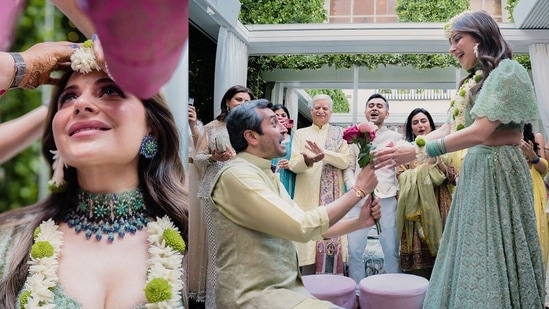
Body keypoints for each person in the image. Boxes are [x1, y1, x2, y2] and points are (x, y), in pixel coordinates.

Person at [374, 11, 545, 307]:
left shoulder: (508, 71)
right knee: (473, 250)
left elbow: (480, 131)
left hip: (498, 169)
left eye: (457, 39)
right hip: (477, 171)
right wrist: (408, 146)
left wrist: (421, 150)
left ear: (481, 36)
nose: (452, 48)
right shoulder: (474, 81)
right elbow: (452, 127)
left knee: (495, 251)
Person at [0, 46, 189, 308]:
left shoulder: (198, 237)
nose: (80, 104)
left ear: (153, 129)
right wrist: (13, 68)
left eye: (110, 90)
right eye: (67, 98)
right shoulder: (11, 243)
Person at [209, 99, 381, 308]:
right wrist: (358, 191)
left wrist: (359, 222)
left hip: (286, 293)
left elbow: (312, 230)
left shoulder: (264, 172)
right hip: (253, 297)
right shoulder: (237, 175)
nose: (284, 128)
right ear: (251, 136)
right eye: (274, 123)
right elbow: (301, 226)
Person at [192, 85, 254, 307]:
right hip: (213, 192)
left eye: (247, 100)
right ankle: (215, 302)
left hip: (242, 192)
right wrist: (213, 158)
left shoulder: (253, 130)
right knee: (218, 248)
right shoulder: (211, 127)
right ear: (227, 102)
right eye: (239, 99)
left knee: (242, 247)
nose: (243, 103)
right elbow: (197, 158)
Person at [288, 94, 351, 275]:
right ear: (311, 111)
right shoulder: (301, 134)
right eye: (317, 108)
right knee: (306, 247)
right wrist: (307, 161)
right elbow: (293, 164)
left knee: (331, 236)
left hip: (332, 200)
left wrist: (324, 154)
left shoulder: (340, 135)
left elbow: (345, 161)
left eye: (325, 108)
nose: (321, 111)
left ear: (331, 112)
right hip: (306, 197)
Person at [344, 93, 402, 286]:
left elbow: (400, 167)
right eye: (371, 105)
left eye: (379, 105)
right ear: (365, 111)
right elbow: (349, 167)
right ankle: (357, 292)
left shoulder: (396, 138)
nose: (375, 108)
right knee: (354, 250)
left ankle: (392, 289)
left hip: (386, 199)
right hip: (358, 199)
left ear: (387, 113)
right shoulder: (353, 138)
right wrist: (356, 188)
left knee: (391, 249)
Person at [396, 108, 456, 279]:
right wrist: (422, 170)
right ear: (411, 128)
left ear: (430, 124)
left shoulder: (444, 147)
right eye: (415, 123)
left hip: (440, 205)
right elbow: (400, 176)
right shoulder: (406, 150)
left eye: (423, 121)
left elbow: (452, 178)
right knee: (418, 267)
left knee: (443, 256)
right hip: (415, 209)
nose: (420, 125)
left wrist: (437, 162)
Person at [521, 123, 549, 269]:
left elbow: (544, 169)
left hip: (534, 187)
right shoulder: (502, 134)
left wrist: (532, 156)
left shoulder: (536, 135)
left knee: (537, 231)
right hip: (514, 186)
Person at [271, 103, 296, 198]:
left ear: (288, 119)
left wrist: (291, 164)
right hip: (270, 179)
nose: (280, 118)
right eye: (276, 115)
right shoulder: (266, 140)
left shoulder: (295, 140)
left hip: (289, 179)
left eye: (283, 115)